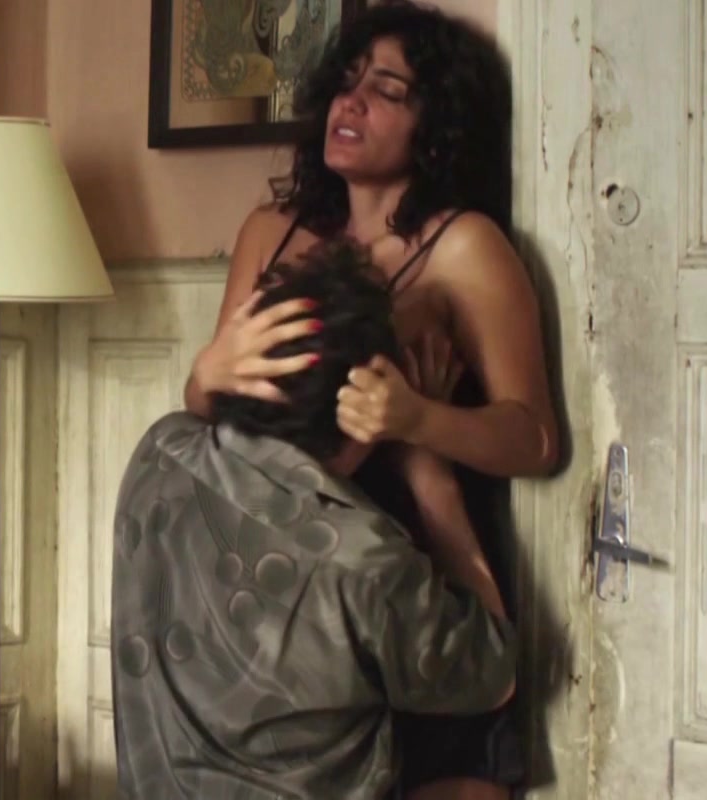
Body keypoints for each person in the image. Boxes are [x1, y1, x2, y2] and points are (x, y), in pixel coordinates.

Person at [182, 2, 556, 795]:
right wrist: (208, 371)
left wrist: (420, 421)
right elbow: (209, 408)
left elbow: (534, 439)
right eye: (346, 82)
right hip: (282, 574)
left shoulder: (465, 246)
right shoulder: (270, 232)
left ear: (437, 126)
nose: (350, 103)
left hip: (420, 555)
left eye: (386, 90)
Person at [112, 245, 514, 799]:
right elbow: (493, 672)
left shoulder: (159, 453)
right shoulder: (362, 562)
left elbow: (196, 416)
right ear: (362, 422)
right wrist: (430, 473)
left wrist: (208, 372)